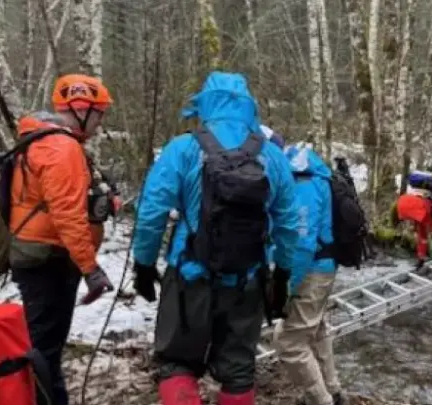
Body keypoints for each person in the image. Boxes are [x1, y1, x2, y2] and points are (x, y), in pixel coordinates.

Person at [131, 71, 311, 405]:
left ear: (204, 106)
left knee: (178, 364)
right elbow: (289, 226)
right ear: (249, 107)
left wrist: (143, 263)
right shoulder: (272, 156)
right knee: (239, 370)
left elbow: (152, 212)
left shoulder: (183, 149)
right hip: (247, 280)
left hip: (188, 277)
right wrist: (283, 276)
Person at [6, 74, 116, 405]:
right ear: (81, 110)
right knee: (43, 354)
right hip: (49, 260)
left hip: (39, 254)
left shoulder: (42, 140)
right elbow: (67, 214)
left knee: (44, 350)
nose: (100, 122)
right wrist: (91, 269)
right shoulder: (61, 147)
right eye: (98, 114)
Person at [272, 143, 344, 405]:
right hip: (322, 267)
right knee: (316, 330)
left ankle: (320, 400)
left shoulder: (302, 183)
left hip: (312, 270)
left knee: (289, 342)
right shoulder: (307, 174)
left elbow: (302, 243)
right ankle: (332, 391)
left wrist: (284, 287)